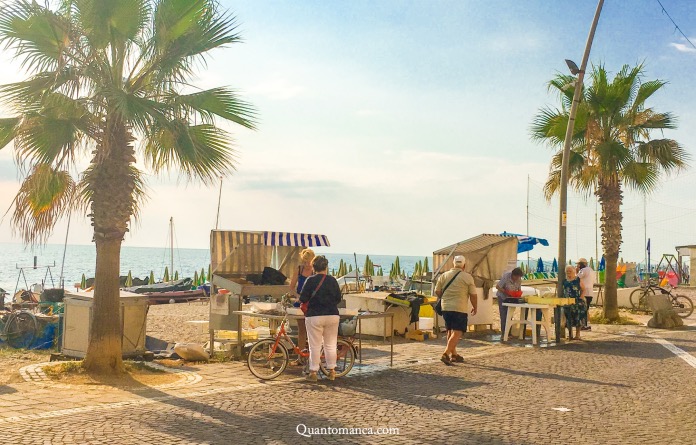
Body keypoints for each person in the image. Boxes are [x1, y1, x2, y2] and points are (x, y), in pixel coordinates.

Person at [299, 255, 342, 382]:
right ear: (326, 267)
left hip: (315, 316)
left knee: (315, 345)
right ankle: (332, 371)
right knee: (330, 344)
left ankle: (313, 372)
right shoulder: (333, 280)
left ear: (313, 267)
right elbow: (338, 298)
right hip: (332, 315)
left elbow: (303, 298)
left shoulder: (310, 280)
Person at [435, 255, 477, 365]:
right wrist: (475, 306)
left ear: (453, 264)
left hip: (446, 307)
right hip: (459, 307)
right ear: (464, 265)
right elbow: (473, 295)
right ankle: (445, 353)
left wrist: (446, 297)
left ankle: (454, 355)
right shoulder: (467, 277)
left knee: (450, 330)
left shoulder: (444, 275)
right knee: (457, 332)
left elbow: (437, 291)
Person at [289, 248, 315, 353]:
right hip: (300, 302)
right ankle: (301, 355)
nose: (307, 264)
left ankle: (312, 354)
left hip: (312, 303)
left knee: (313, 329)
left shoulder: (315, 271)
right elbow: (291, 287)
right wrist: (298, 296)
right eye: (305, 262)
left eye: (309, 262)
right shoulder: (299, 269)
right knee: (302, 329)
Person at [495, 267, 524, 335]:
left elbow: (519, 289)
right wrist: (506, 291)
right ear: (513, 275)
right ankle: (504, 333)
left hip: (511, 298)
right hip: (502, 297)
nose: (517, 278)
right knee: (503, 315)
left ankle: (509, 332)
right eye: (516, 277)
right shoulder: (506, 277)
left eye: (518, 277)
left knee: (510, 315)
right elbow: (498, 287)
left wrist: (518, 294)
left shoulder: (519, 279)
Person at [563, 264, 587, 340]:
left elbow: (583, 289)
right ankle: (570, 334)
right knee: (568, 318)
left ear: (574, 271)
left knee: (578, 318)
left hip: (577, 302)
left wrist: (581, 298)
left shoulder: (578, 280)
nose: (568, 273)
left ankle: (577, 335)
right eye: (567, 271)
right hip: (567, 302)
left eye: (570, 271)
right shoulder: (564, 281)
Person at [576, 257, 595, 330]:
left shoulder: (583, 270)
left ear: (582, 264)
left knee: (582, 309)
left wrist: (577, 271)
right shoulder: (591, 270)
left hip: (584, 292)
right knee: (586, 309)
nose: (578, 266)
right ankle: (585, 325)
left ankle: (583, 325)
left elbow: (577, 278)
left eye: (578, 264)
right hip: (590, 293)